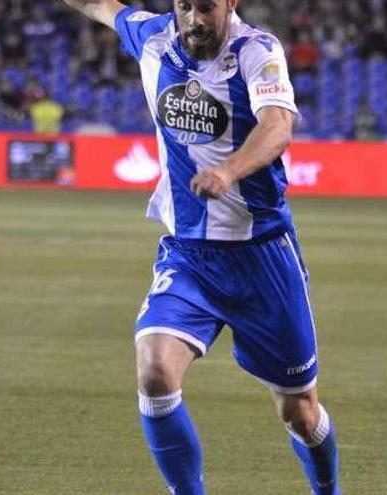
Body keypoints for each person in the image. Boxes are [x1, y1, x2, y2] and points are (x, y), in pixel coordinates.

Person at [58, 1, 340, 494]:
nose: (195, 18)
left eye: (206, 6)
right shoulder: (151, 38)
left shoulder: (257, 51)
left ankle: (328, 489)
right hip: (189, 254)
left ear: (230, 3)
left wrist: (228, 171)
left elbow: (278, 125)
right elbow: (99, 5)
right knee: (155, 372)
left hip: (262, 257)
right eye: (185, 5)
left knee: (299, 411)